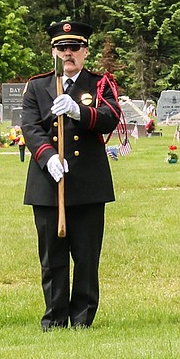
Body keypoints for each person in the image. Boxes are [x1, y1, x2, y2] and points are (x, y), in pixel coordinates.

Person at [21, 17, 123, 329]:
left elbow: (110, 119)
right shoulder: (37, 86)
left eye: (74, 47)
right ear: (53, 52)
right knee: (52, 258)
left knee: (86, 256)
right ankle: (54, 318)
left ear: (85, 51)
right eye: (61, 48)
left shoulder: (99, 84)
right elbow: (30, 126)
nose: (68, 53)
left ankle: (82, 319)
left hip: (87, 183)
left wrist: (80, 111)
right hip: (48, 181)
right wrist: (48, 156)